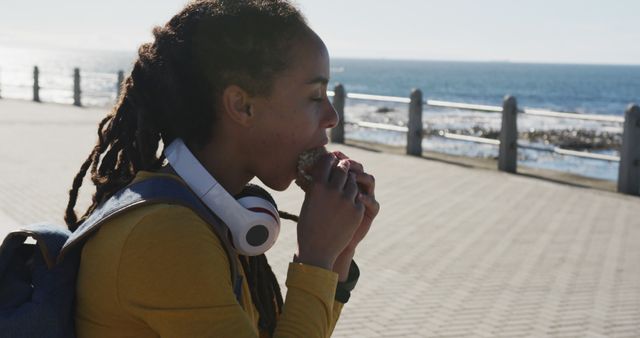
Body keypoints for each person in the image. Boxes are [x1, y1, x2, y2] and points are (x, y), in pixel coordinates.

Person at [64, 0, 379, 337]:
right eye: (316, 96)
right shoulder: (165, 234)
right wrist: (316, 257)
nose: (332, 116)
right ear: (242, 106)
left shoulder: (211, 211)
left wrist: (339, 253)